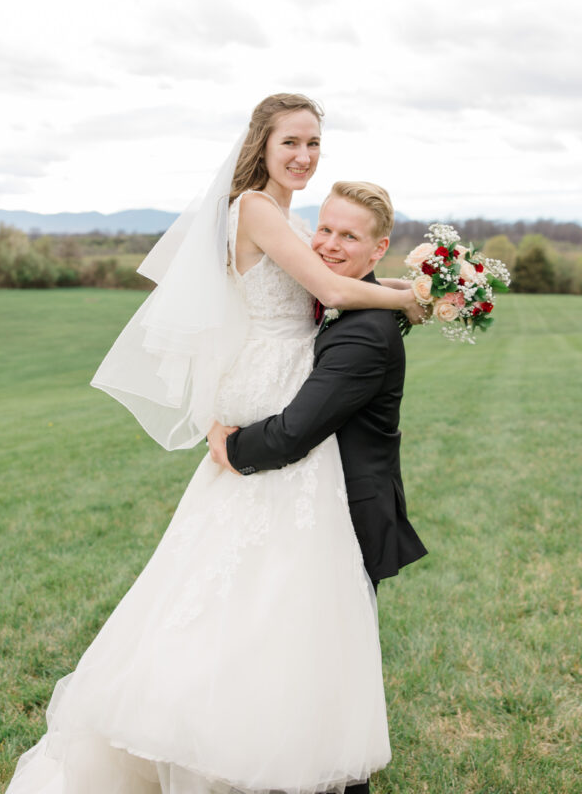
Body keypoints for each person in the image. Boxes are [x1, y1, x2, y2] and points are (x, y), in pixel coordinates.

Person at [5, 94, 425, 794]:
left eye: (315, 144)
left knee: (263, 580)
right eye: (291, 141)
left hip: (282, 385)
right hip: (277, 396)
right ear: (261, 143)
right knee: (257, 576)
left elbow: (317, 290)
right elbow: (326, 285)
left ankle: (269, 721)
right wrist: (417, 297)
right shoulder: (259, 209)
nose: (304, 156)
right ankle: (236, 736)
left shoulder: (280, 215)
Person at [208, 180, 428, 794]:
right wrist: (406, 292)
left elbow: (289, 435)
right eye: (323, 230)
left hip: (347, 513)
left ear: (378, 246)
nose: (329, 245)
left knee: (324, 661)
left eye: (348, 236)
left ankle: (324, 774)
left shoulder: (362, 334)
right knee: (304, 650)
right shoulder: (358, 308)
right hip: (327, 502)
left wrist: (228, 446)